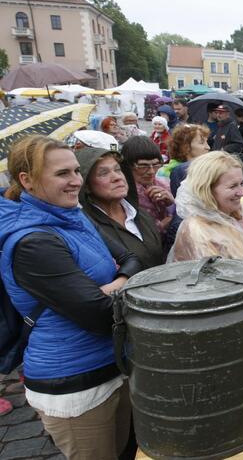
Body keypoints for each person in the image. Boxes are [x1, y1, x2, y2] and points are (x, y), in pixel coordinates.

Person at [0, 135, 141, 459]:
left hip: (112, 364)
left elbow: (133, 258)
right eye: (62, 174)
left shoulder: (73, 217)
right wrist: (117, 287)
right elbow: (99, 315)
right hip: (76, 383)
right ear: (27, 180)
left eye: (76, 171)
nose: (76, 181)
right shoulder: (34, 242)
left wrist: (112, 285)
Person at [171, 151, 243, 272]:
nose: (242, 192)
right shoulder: (196, 229)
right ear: (207, 189)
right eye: (233, 186)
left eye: (242, 184)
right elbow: (217, 279)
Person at [75, 146, 164, 270]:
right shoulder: (87, 227)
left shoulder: (141, 214)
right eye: (103, 173)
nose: (117, 177)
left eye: (118, 170)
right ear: (87, 186)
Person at [121, 136, 175, 237]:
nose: (151, 171)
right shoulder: (123, 194)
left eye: (155, 165)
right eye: (143, 166)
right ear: (128, 166)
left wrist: (171, 203)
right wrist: (170, 218)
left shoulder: (164, 184)